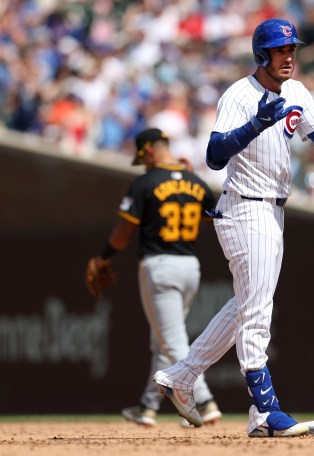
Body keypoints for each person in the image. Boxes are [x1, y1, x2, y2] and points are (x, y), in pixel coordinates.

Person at [153, 18, 314, 437]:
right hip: (245, 208)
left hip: (274, 209)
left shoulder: (295, 90)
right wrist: (255, 124)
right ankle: (266, 408)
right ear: (262, 54)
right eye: (282, 51)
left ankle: (182, 377)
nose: (290, 57)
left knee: (246, 304)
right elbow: (213, 156)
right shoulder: (239, 95)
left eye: (293, 49)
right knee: (258, 309)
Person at [88, 127, 222, 427]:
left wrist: (104, 256)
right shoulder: (197, 182)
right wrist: (188, 181)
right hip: (191, 266)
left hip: (159, 266)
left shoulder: (145, 183)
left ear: (148, 150)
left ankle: (205, 400)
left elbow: (123, 233)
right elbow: (215, 220)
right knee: (162, 340)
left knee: (172, 341)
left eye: (142, 157)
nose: (143, 163)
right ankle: (147, 406)